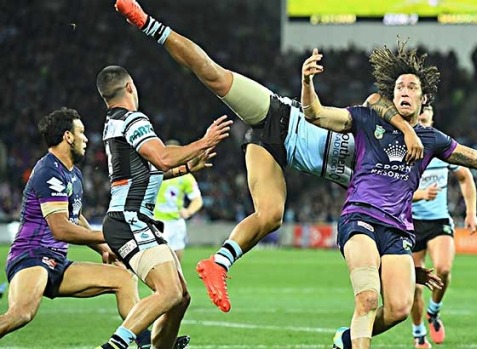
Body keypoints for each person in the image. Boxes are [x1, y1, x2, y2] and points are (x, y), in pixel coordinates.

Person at [113, 0, 428, 313]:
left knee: (271, 216)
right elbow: (375, 100)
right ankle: (145, 21)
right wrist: (408, 129)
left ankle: (218, 264)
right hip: (278, 115)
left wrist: (406, 266)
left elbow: (385, 215)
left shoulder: (375, 178)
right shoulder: (379, 123)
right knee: (214, 76)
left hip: (275, 152)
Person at [299, 44, 477, 349]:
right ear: (392, 95)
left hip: (398, 229)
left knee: (399, 308)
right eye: (399, 87)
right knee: (369, 297)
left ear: (423, 98)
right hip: (360, 216)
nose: (405, 91)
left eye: (412, 87)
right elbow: (315, 115)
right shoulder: (366, 119)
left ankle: (346, 339)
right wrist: (307, 83)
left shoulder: (432, 139)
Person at [96, 65, 231, 349]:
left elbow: (145, 172)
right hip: (129, 219)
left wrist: (185, 168)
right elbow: (162, 158)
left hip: (130, 220)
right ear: (130, 87)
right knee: (169, 292)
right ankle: (112, 347)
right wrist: (203, 142)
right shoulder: (134, 120)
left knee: (181, 296)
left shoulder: (112, 123)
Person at [0, 108, 153, 347]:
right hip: (32, 256)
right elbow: (61, 229)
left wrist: (102, 246)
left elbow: (74, 216)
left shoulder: (73, 174)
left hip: (56, 262)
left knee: (123, 279)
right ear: (67, 137)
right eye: (80, 132)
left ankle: (148, 344)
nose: (86, 138)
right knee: (21, 314)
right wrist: (109, 235)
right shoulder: (48, 172)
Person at [409, 105, 477, 349]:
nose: (422, 123)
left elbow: (465, 177)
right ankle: (419, 334)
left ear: (431, 119)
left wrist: (471, 213)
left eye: (426, 118)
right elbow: (389, 191)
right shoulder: (401, 149)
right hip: (408, 223)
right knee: (413, 284)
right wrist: (419, 195)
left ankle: (434, 312)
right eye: (419, 118)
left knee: (443, 268)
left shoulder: (442, 149)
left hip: (439, 220)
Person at [154, 139, 205, 262]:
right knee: (160, 264)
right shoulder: (154, 173)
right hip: (157, 222)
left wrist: (188, 212)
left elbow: (197, 199)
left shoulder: (186, 177)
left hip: (176, 223)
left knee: (176, 265)